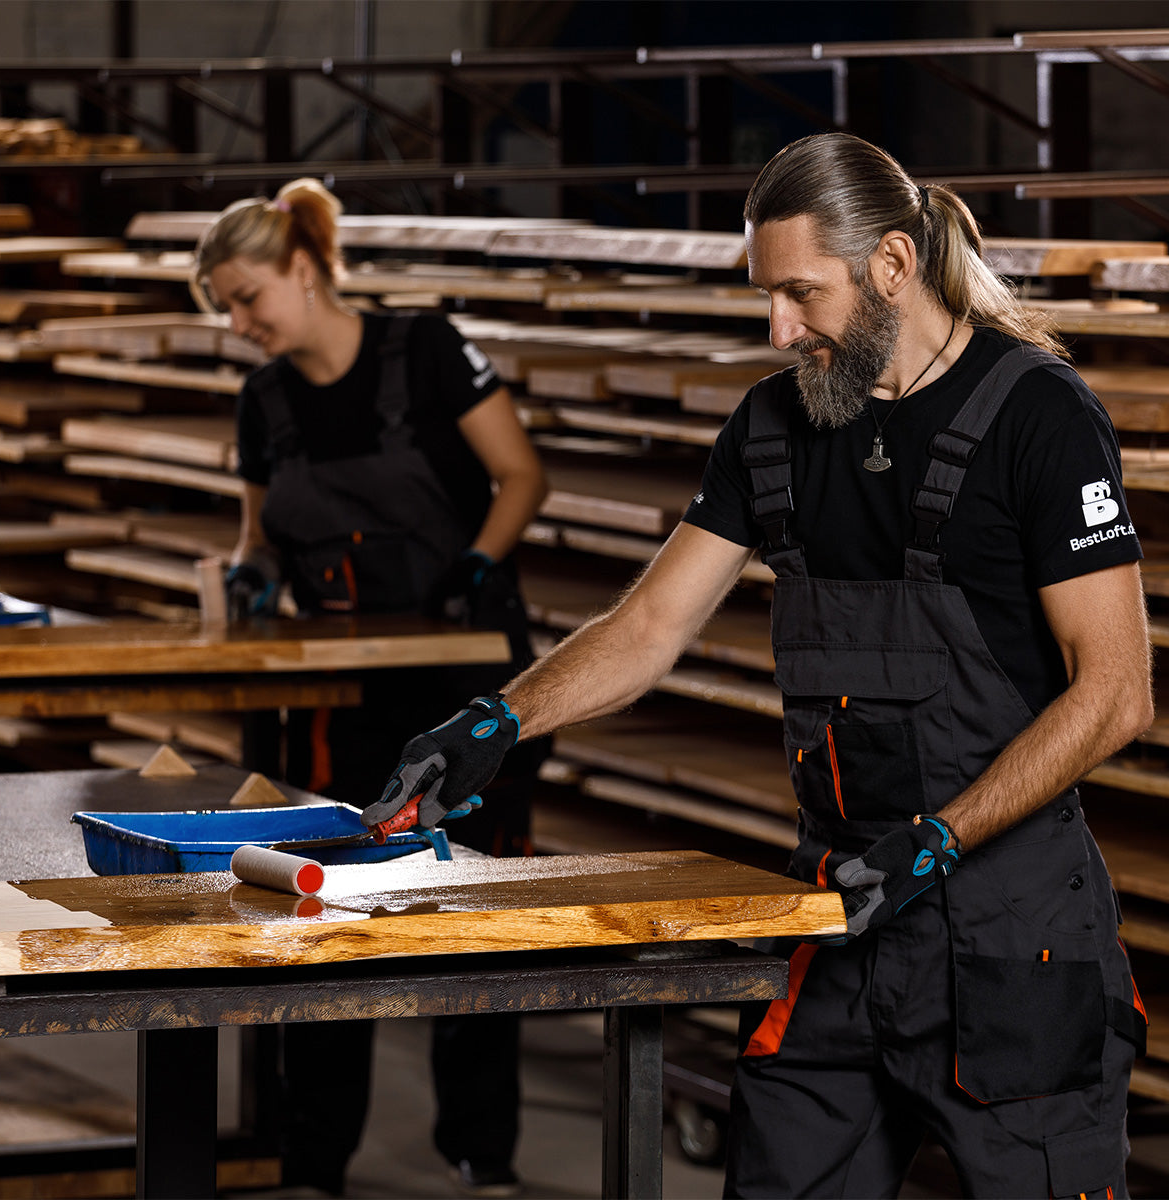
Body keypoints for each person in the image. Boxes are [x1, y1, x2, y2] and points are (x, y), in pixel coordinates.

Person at [362, 133, 1154, 1199]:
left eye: (800, 293)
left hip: (1014, 941)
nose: (778, 328)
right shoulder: (773, 431)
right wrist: (494, 724)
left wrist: (940, 840)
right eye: (765, 294)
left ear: (891, 265)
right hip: (839, 911)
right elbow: (648, 629)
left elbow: (1115, 695)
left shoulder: (1041, 420)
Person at [193, 177, 548, 1198]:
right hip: (340, 703)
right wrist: (252, 573)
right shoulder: (263, 401)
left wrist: (482, 560)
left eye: (248, 295)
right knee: (325, 932)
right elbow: (257, 536)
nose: (241, 321)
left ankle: (485, 1161)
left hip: (466, 693)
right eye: (224, 306)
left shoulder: (426, 350)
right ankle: (314, 1165)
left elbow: (522, 474)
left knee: (476, 927)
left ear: (303, 270)